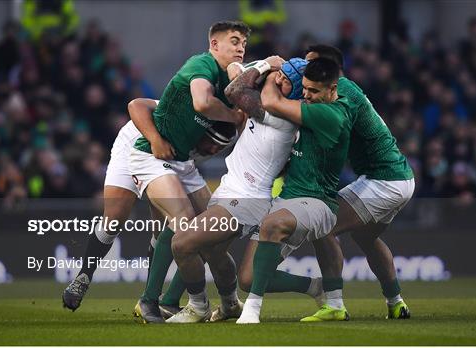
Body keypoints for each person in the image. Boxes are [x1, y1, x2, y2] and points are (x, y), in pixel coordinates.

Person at [166, 57, 329, 323]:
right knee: (219, 256)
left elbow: (234, 91)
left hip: (246, 199)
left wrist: (265, 65)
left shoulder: (282, 114)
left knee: (182, 244)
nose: (279, 80)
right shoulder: (273, 100)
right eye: (281, 74)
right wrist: (262, 68)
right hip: (233, 189)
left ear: (298, 92)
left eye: (288, 81)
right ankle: (233, 304)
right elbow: (236, 73)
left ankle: (198, 306)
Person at [61, 98, 235, 311]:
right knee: (114, 220)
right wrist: (154, 139)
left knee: (188, 227)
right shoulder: (184, 113)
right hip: (135, 145)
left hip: (173, 161)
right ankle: (83, 277)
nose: (214, 150)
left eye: (220, 148)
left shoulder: (222, 133)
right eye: (213, 144)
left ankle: (151, 296)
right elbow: (135, 105)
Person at [130, 21, 251, 323]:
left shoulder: (233, 83)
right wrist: (234, 115)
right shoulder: (201, 64)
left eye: (244, 44)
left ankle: (201, 301)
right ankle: (150, 301)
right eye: (234, 41)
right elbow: (200, 102)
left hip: (183, 163)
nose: (240, 48)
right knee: (183, 220)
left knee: (206, 233)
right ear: (214, 45)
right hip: (152, 156)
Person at [302, 44, 415, 321]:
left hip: (384, 180)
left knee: (322, 225)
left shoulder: (344, 94)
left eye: (310, 64)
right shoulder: (343, 90)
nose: (304, 71)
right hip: (399, 177)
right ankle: (396, 302)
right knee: (365, 237)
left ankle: (335, 304)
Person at [237, 58, 352, 324]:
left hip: (318, 202)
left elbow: (270, 102)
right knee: (248, 278)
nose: (307, 96)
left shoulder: (331, 115)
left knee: (272, 223)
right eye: (306, 89)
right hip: (288, 198)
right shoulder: (309, 105)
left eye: (314, 92)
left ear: (332, 89)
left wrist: (269, 72)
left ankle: (251, 311)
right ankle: (316, 287)